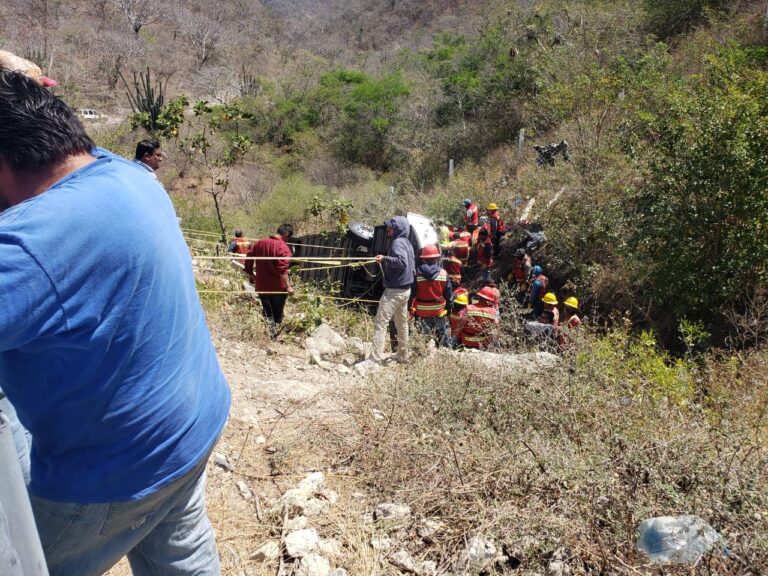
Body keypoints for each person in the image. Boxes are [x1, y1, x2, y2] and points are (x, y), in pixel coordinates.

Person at [0, 66, 230, 576]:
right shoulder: (120, 173)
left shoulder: (26, 247)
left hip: (108, 479)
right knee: (182, 555)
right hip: (190, 429)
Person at [362, 216, 415, 367]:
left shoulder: (398, 243)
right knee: (401, 323)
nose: (387, 229)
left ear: (398, 228)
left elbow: (402, 262)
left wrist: (384, 258)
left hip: (394, 291)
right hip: (405, 290)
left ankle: (373, 360)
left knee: (380, 323)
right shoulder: (407, 243)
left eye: (390, 227)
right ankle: (403, 355)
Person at [245, 224, 295, 339]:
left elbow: (249, 258)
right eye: (288, 238)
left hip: (262, 286)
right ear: (286, 235)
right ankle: (273, 337)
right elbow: (283, 269)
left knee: (267, 312)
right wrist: (288, 287)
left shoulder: (259, 243)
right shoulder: (283, 247)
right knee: (277, 315)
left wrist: (250, 274)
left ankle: (268, 334)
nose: (287, 241)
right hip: (277, 288)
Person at [411, 244, 452, 348]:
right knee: (442, 342)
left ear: (423, 259)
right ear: (437, 258)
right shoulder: (443, 274)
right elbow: (449, 295)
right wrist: (449, 310)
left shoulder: (417, 274)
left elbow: (412, 294)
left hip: (422, 312)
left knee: (422, 342)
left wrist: (409, 309)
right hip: (439, 312)